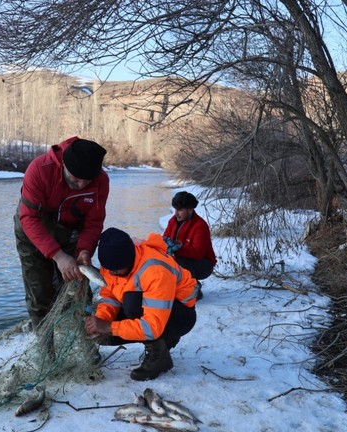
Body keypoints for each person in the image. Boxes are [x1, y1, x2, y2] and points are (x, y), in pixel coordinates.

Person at [14, 136, 109, 328]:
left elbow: (93, 223)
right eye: (76, 178)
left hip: (70, 231)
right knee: (40, 294)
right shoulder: (40, 169)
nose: (81, 185)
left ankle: (86, 346)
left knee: (80, 290)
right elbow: (28, 218)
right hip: (32, 231)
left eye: (87, 181)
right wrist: (58, 256)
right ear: (64, 164)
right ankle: (47, 351)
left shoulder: (101, 181)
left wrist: (84, 251)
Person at [84, 227, 198, 381]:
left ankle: (159, 357)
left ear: (129, 259)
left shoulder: (155, 270)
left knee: (132, 303)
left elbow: (151, 328)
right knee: (106, 336)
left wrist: (109, 327)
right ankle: (164, 342)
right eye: (108, 270)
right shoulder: (112, 265)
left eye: (116, 270)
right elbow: (110, 296)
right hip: (154, 309)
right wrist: (102, 319)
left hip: (182, 315)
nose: (111, 274)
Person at [162, 191, 217, 299]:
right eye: (175, 210)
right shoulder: (172, 221)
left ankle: (192, 291)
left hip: (204, 265)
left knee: (180, 262)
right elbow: (165, 240)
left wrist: (177, 249)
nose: (176, 213)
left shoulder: (200, 226)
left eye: (180, 210)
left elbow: (197, 252)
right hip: (180, 258)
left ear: (190, 210)